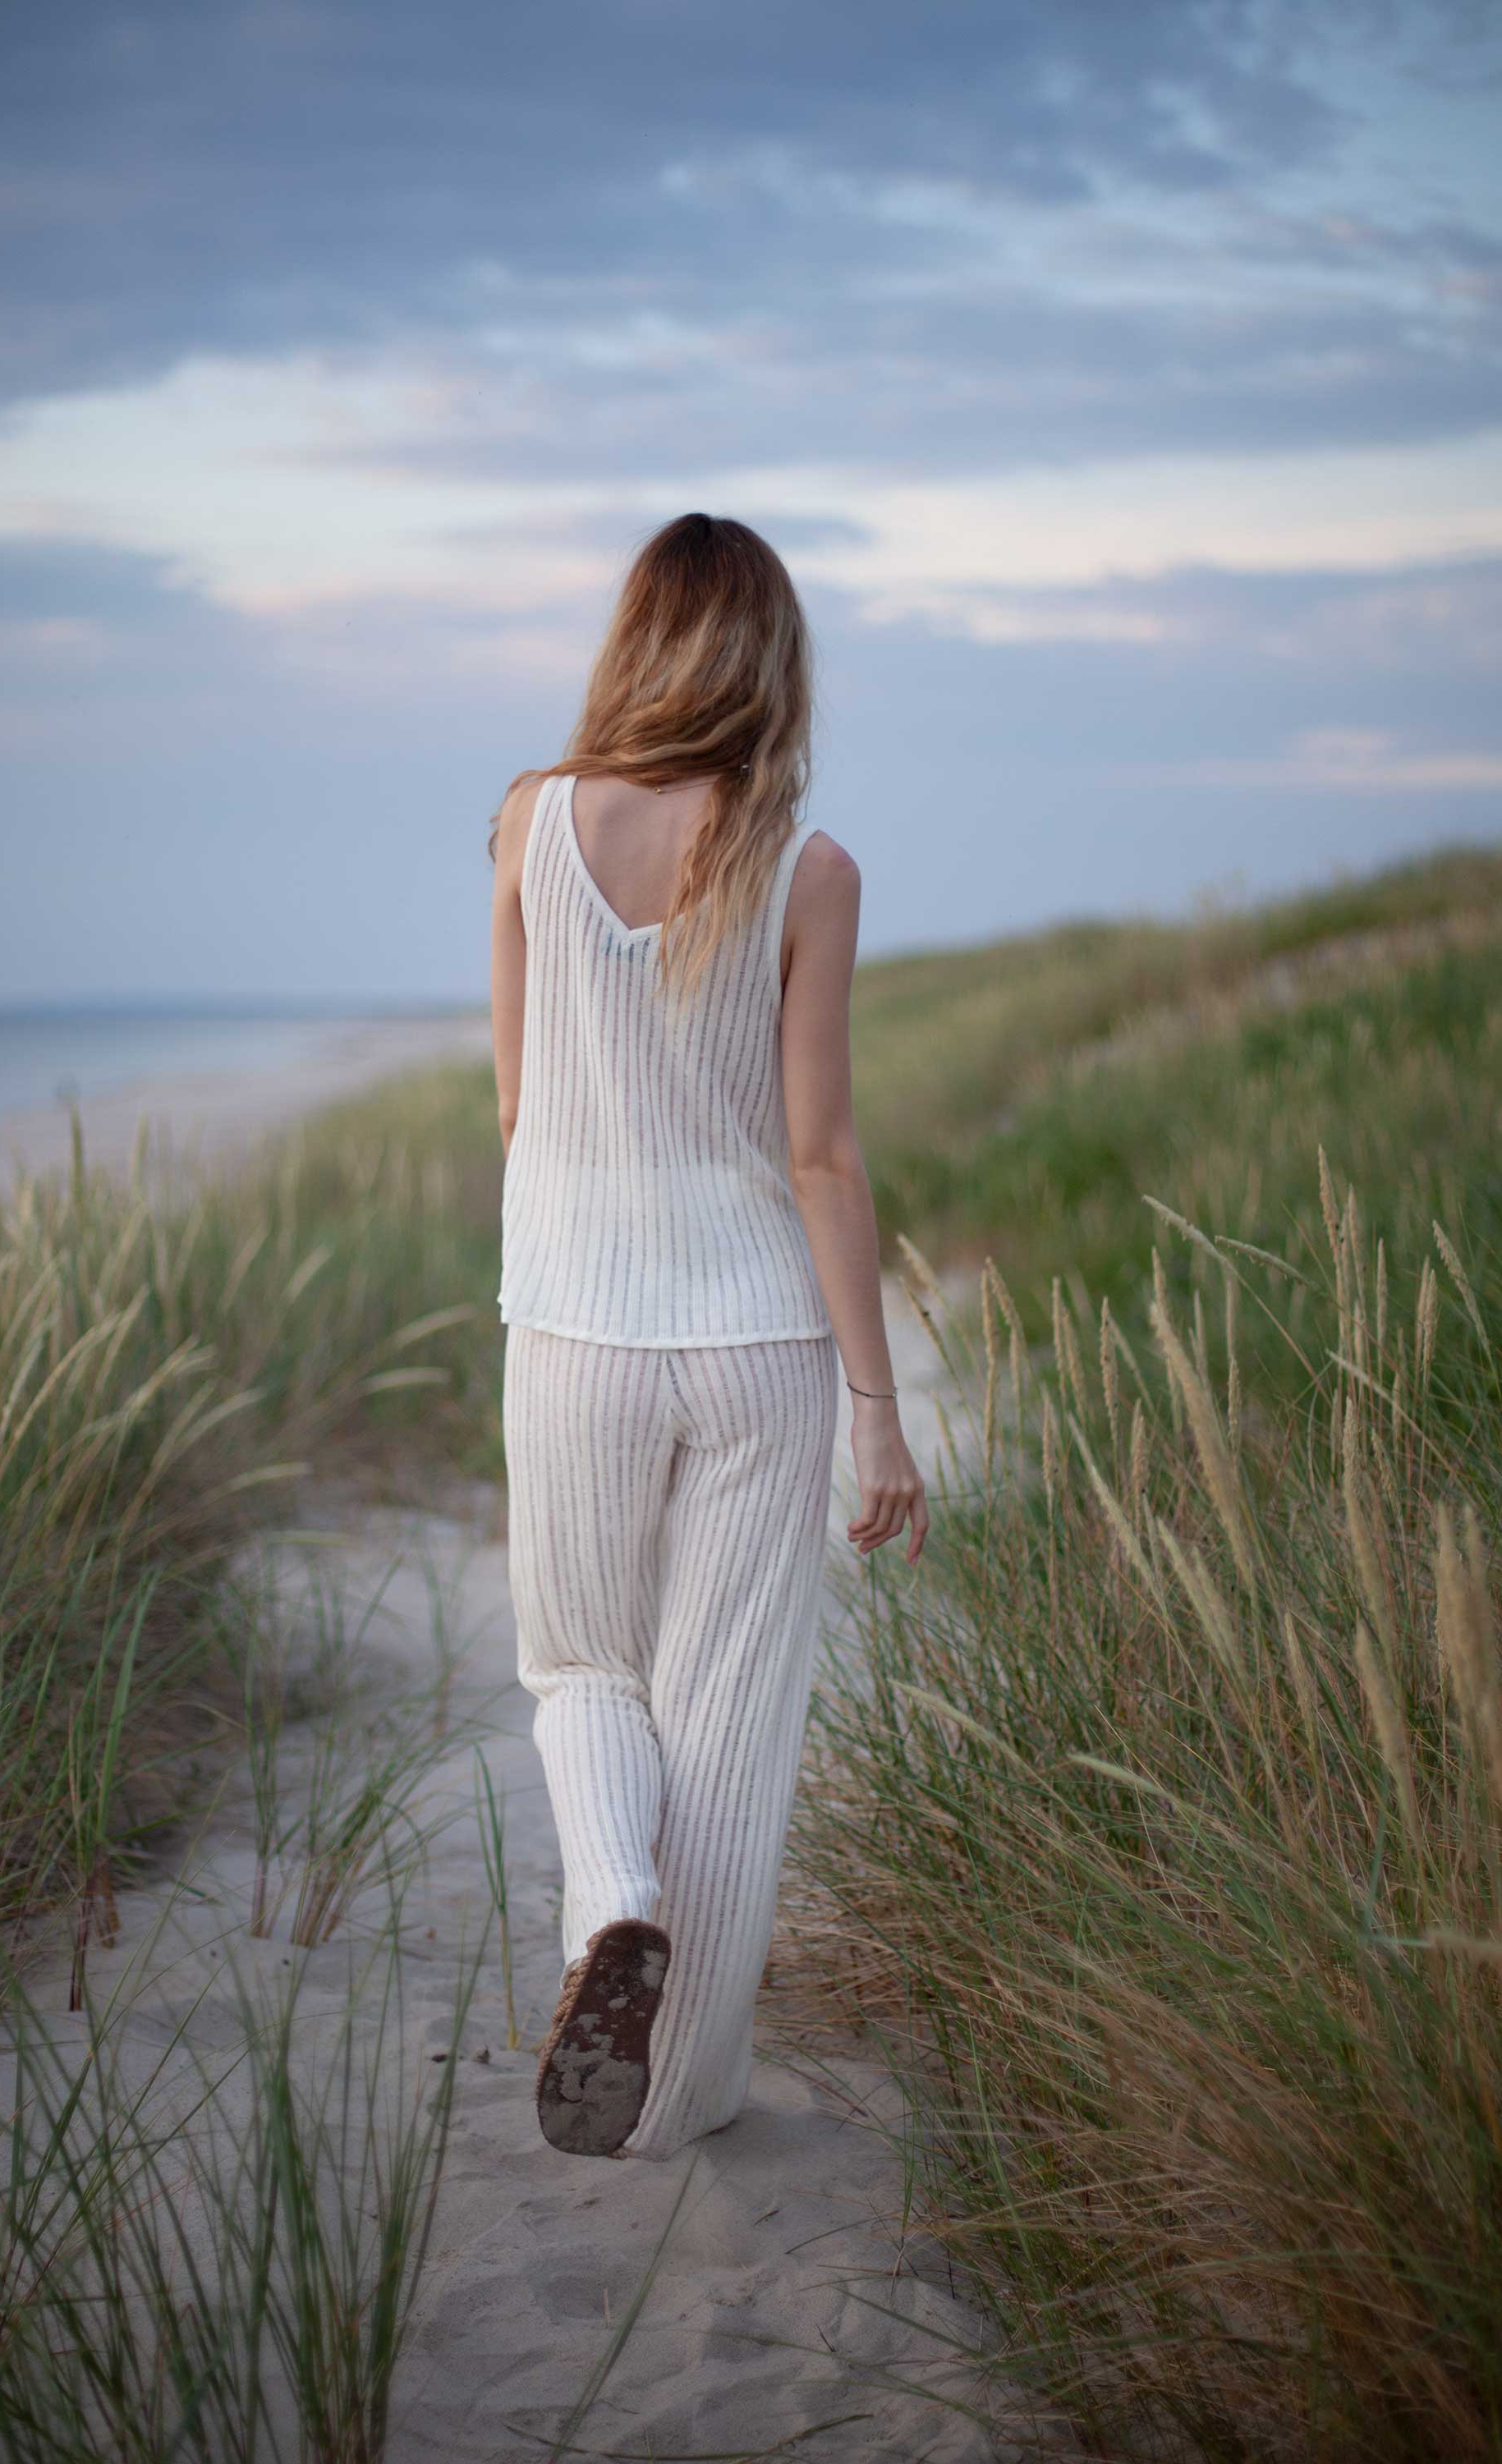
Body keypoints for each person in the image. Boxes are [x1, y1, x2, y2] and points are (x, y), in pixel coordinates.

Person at [487, 510, 928, 2163]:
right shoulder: (809, 868)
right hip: (758, 1344)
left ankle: (611, 1910)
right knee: (729, 1717)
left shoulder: (530, 824)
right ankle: (679, 2104)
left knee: (580, 1666)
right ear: (771, 659)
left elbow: (522, 1102)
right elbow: (820, 1152)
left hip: (579, 1328)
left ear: (636, 642)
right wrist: (876, 1408)